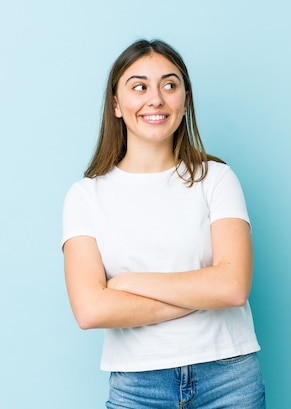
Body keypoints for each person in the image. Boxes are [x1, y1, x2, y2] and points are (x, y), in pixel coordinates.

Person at [61, 39, 265, 409]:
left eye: (169, 85)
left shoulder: (216, 179)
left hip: (228, 380)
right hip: (138, 386)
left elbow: (234, 288)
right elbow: (91, 310)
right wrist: (204, 293)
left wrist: (128, 286)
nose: (155, 98)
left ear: (184, 101)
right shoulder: (85, 195)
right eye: (139, 86)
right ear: (116, 105)